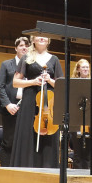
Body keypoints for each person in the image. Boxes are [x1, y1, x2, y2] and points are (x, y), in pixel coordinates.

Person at [10, 35, 63, 168]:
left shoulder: (54, 59)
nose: (42, 38)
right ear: (33, 40)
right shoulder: (26, 57)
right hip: (29, 100)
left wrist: (50, 80)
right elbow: (15, 83)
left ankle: (47, 169)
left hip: (48, 102)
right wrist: (33, 81)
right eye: (39, 36)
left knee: (49, 136)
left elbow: (61, 85)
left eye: (45, 36)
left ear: (48, 40)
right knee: (28, 135)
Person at [0, 37, 29, 167]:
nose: (24, 47)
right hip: (10, 109)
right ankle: (6, 173)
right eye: (21, 45)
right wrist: (8, 104)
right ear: (16, 48)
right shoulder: (6, 64)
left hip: (27, 109)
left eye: (26, 45)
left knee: (24, 143)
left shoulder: (31, 66)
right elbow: (0, 86)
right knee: (9, 143)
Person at [69, 58, 92, 169]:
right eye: (83, 67)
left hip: (89, 120)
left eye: (87, 67)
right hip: (76, 120)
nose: (86, 69)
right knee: (77, 153)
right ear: (78, 69)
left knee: (88, 154)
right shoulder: (73, 83)